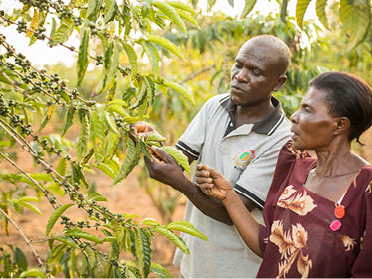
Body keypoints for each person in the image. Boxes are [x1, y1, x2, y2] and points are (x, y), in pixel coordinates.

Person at [135, 35, 293, 278]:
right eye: (238, 65)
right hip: (197, 257)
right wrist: (152, 143)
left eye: (255, 72)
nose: (240, 76)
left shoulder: (280, 140)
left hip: (237, 267)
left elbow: (229, 212)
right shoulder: (215, 106)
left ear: (278, 83)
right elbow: (180, 158)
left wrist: (181, 183)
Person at [196, 71, 372, 278]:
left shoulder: (365, 189)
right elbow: (271, 246)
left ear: (340, 125)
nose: (294, 117)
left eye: (307, 109)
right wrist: (228, 195)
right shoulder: (296, 168)